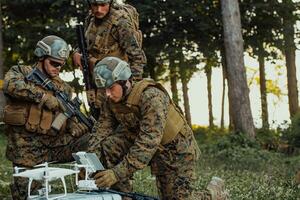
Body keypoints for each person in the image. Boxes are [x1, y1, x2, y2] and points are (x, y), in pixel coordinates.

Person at [88, 56, 229, 200]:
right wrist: (89, 163)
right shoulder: (111, 100)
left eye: (111, 88)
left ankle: (213, 194)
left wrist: (116, 173)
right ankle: (123, 196)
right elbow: (100, 130)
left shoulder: (151, 97)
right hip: (145, 144)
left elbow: (148, 142)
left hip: (175, 151)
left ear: (124, 81)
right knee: (109, 146)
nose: (107, 94)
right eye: (104, 89)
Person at [3, 35, 89, 200]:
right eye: (54, 63)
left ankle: (86, 190)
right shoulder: (20, 72)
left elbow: (67, 119)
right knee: (26, 196)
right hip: (26, 152)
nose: (58, 68)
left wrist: (74, 127)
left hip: (55, 147)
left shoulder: (64, 88)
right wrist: (43, 97)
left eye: (61, 65)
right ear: (41, 57)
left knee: (92, 141)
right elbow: (10, 85)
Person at [72, 0, 146, 119]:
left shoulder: (120, 23)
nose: (98, 10)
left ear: (110, 4)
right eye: (94, 5)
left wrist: (131, 87)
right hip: (95, 81)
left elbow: (137, 57)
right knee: (98, 120)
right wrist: (77, 52)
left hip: (115, 84)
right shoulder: (90, 19)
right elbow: (86, 44)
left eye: (103, 5)